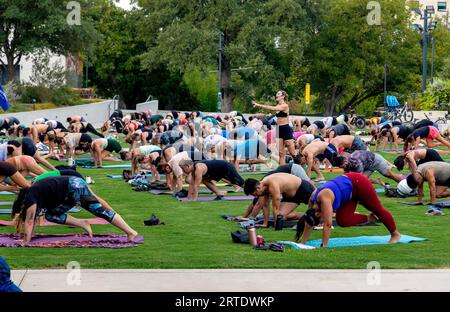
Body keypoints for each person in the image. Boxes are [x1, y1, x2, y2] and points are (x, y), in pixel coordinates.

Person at [12, 176, 138, 243]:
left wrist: (25, 240)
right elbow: (31, 220)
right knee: (51, 215)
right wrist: (27, 237)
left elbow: (29, 220)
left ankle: (130, 232)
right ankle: (82, 223)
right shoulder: (33, 193)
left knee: (99, 211)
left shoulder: (30, 198)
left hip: (75, 187)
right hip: (68, 192)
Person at [295, 172, 401, 247]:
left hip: (358, 183)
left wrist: (324, 245)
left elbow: (327, 224)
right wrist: (302, 242)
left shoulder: (324, 199)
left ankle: (395, 234)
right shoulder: (312, 202)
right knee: (343, 220)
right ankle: (370, 218)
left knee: (377, 209)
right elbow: (308, 221)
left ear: (318, 214)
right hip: (348, 193)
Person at [243, 173, 315, 228]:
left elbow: (275, 207)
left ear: (258, 188)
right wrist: (265, 223)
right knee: (281, 216)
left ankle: (315, 216)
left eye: (255, 194)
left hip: (303, 188)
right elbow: (265, 206)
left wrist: (276, 225)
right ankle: (305, 216)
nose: (256, 196)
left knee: (318, 211)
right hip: (291, 196)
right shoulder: (263, 187)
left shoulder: (272, 185)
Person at [252, 90, 297, 165]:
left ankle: (299, 167)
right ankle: (282, 171)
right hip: (278, 129)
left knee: (293, 153)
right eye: (277, 94)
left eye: (279, 94)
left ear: (283, 96)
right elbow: (273, 110)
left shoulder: (285, 106)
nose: (276, 95)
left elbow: (272, 108)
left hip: (286, 129)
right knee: (281, 153)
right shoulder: (277, 106)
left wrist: (258, 104)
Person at [179, 159, 244, 201]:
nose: (182, 170)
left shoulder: (198, 168)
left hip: (226, 167)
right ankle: (219, 195)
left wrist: (194, 200)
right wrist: (188, 198)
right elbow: (192, 184)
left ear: (188, 166)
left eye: (182, 168)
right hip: (218, 171)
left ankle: (253, 190)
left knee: (241, 184)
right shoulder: (193, 169)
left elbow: (196, 185)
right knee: (205, 180)